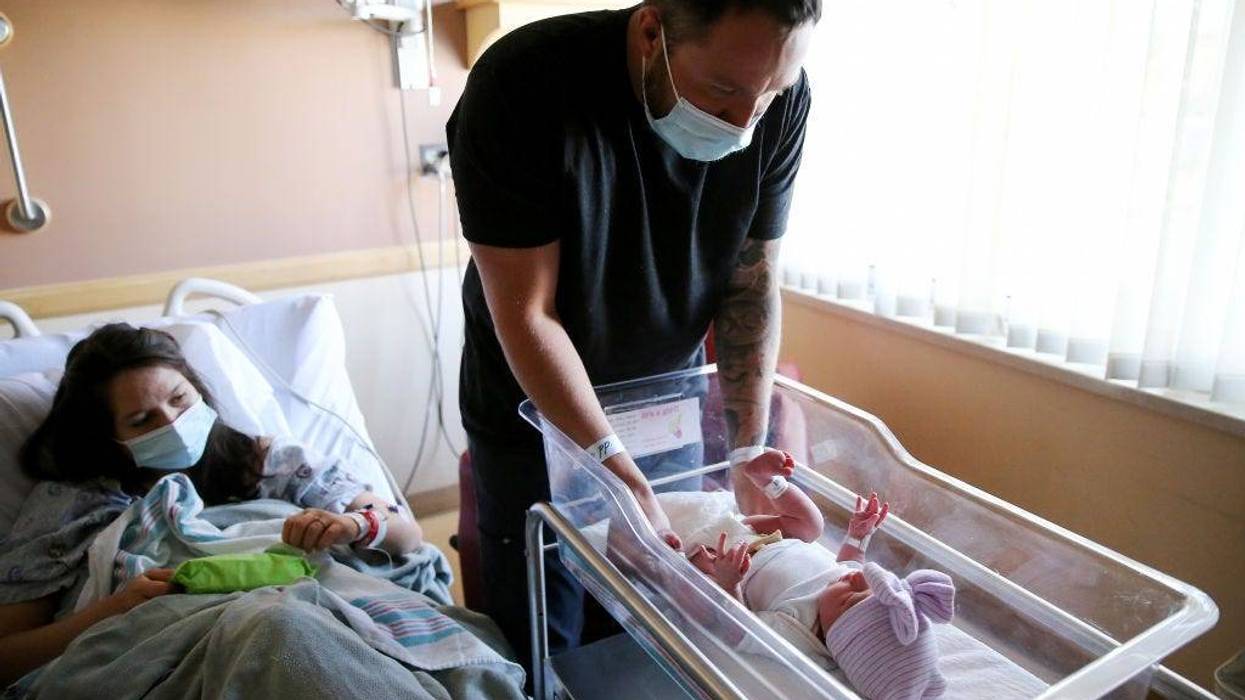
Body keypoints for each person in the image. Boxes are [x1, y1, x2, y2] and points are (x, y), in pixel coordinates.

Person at [447, 0, 818, 664]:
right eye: (723, 92)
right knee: (546, 633)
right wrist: (616, 476)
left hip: (662, 398)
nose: (746, 122)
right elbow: (527, 311)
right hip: (536, 407)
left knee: (661, 614)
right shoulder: (523, 83)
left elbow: (751, 283)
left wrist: (744, 449)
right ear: (652, 32)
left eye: (770, 96)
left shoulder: (776, 93)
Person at [0, 323, 423, 685]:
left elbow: (407, 535)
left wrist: (353, 525)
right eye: (142, 420)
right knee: (279, 627)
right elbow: (7, 655)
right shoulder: (71, 507)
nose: (173, 423)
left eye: (179, 399)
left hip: (325, 618)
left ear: (198, 389)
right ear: (106, 438)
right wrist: (113, 610)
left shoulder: (269, 463)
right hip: (194, 649)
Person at [688, 452, 956, 700]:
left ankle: (670, 553)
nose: (855, 579)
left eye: (850, 600)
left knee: (698, 600)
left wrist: (729, 582)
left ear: (836, 638)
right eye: (867, 586)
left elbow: (739, 629)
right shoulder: (848, 586)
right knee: (812, 526)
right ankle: (769, 481)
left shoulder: (800, 634)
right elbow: (850, 564)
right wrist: (858, 536)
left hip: (723, 556)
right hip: (762, 534)